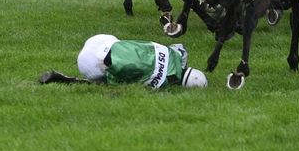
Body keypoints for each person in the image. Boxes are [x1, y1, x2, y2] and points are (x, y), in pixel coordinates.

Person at [40, 34, 207, 89]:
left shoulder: (173, 52)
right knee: (105, 81)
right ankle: (73, 81)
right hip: (88, 64)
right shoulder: (161, 84)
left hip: (100, 40)